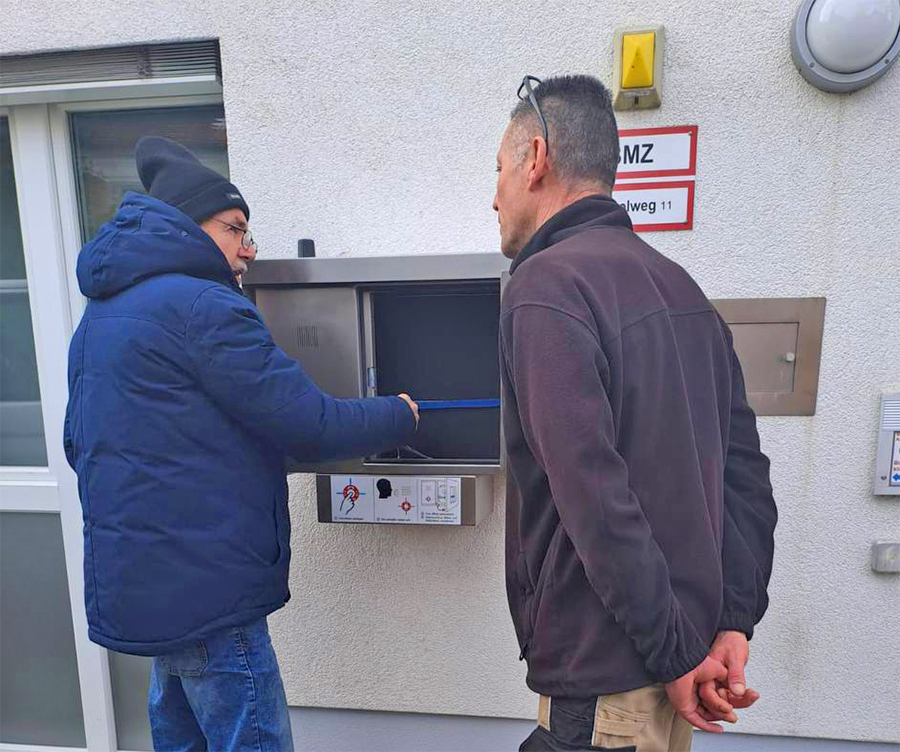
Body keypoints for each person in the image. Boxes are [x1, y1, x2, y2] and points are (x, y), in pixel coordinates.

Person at [63, 137, 419, 751]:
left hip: (153, 591)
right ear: (189, 227)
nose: (249, 248)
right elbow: (310, 426)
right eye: (236, 229)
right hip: (209, 596)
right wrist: (399, 414)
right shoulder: (205, 307)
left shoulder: (104, 312)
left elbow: (79, 444)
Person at [494, 75, 778, 751]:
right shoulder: (681, 287)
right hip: (677, 662)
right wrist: (730, 623)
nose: (493, 193)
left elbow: (593, 496)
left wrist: (678, 652)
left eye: (497, 168)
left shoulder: (546, 286)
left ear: (536, 159)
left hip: (609, 678)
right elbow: (747, 479)